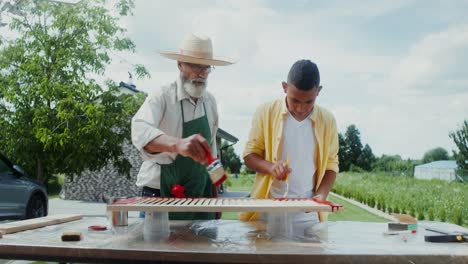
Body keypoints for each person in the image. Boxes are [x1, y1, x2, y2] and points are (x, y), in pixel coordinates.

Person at [131, 33, 234, 220]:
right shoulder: (162, 96)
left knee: (203, 248)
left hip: (201, 196)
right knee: (157, 249)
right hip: (160, 194)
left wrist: (217, 193)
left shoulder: (210, 102)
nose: (202, 73)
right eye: (195, 66)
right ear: (180, 64)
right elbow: (140, 130)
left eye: (206, 68)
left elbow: (212, 151)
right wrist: (177, 144)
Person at [239, 59, 339, 228]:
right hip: (267, 212)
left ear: (318, 91)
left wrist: (320, 196)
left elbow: (331, 165)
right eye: (295, 101)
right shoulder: (265, 112)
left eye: (309, 102)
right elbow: (249, 156)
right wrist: (271, 167)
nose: (301, 108)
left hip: (308, 215)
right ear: (284, 87)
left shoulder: (328, 120)